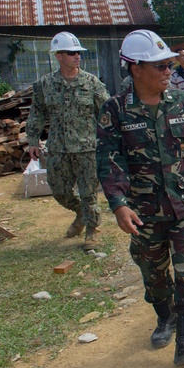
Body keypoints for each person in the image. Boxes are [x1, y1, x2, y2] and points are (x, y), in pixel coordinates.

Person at [96, 29, 184, 367]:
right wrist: (119, 204)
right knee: (154, 273)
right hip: (143, 209)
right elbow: (109, 160)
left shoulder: (181, 102)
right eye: (160, 66)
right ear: (136, 69)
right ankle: (164, 316)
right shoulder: (116, 110)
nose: (169, 71)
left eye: (169, 65)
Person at [25, 32, 110, 251]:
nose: (77, 57)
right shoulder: (45, 85)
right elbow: (37, 113)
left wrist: (111, 139)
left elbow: (107, 111)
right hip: (58, 149)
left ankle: (92, 231)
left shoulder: (91, 83)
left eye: (79, 53)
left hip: (86, 148)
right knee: (59, 191)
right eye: (71, 53)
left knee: (88, 192)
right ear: (59, 56)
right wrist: (33, 139)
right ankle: (81, 213)